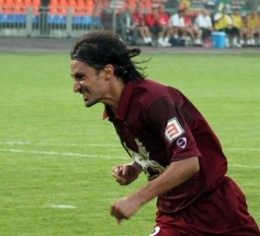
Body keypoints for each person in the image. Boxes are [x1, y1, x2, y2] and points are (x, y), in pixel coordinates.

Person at [70, 30, 260, 236]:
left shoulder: (153, 100)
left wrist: (136, 199)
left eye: (81, 77)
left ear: (107, 72)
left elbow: (188, 162)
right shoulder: (117, 110)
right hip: (174, 213)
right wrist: (136, 166)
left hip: (215, 209)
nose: (75, 87)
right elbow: (158, 146)